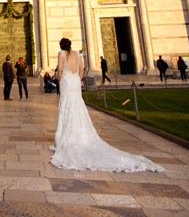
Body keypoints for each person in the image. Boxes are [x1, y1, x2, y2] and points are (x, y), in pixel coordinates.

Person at [50, 38, 163, 172]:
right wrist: (77, 80)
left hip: (67, 82)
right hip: (75, 81)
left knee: (65, 107)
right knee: (78, 106)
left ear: (61, 46)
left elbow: (60, 71)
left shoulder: (61, 54)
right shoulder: (78, 55)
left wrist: (61, 80)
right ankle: (79, 133)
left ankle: (65, 136)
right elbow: (82, 70)